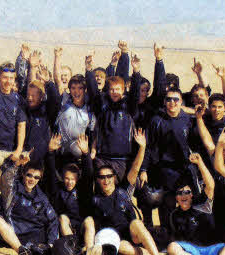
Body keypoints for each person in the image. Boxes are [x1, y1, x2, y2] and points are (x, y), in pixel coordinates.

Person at [82, 129, 161, 255]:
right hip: (112, 239)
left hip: (130, 233)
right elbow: (86, 176)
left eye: (109, 176)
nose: (106, 180)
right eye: (102, 177)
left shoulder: (124, 191)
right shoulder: (95, 199)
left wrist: (142, 147)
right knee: (120, 245)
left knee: (136, 223)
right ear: (97, 180)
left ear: (114, 177)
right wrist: (86, 153)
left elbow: (135, 169)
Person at [86, 48, 140, 182]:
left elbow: (135, 94)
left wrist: (136, 72)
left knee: (120, 193)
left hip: (123, 159)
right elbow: (93, 91)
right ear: (107, 90)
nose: (114, 92)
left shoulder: (129, 107)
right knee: (102, 192)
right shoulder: (103, 105)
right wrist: (88, 70)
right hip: (102, 158)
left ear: (123, 91)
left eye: (118, 89)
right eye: (112, 89)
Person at [165, 153, 225, 255]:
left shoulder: (202, 205)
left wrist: (200, 163)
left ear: (192, 195)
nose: (183, 196)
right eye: (179, 193)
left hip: (212, 247)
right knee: (172, 247)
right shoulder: (174, 215)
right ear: (176, 198)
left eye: (187, 192)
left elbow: (210, 185)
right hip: (192, 250)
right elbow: (175, 240)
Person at [0, 151, 60, 252]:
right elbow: (6, 179)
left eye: (36, 177)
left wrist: (51, 244)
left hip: (35, 239)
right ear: (23, 174)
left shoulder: (41, 197)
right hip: (14, 237)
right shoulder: (12, 190)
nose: (32, 180)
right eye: (29, 175)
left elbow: (53, 220)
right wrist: (18, 163)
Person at [0, 56, 27, 173]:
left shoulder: (18, 100)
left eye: (11, 78)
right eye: (5, 77)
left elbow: (21, 126)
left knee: (8, 189)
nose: (8, 81)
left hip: (10, 153)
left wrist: (18, 149)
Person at [47, 134, 94, 237]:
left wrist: (86, 153)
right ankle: (71, 247)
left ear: (77, 179)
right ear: (63, 178)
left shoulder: (82, 190)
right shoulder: (58, 190)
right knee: (63, 217)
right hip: (65, 227)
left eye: (73, 179)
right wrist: (50, 152)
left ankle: (89, 249)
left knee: (90, 220)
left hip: (81, 227)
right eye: (67, 178)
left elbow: (89, 175)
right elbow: (50, 173)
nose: (69, 182)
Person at [55, 73, 96, 163]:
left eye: (80, 88)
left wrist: (93, 150)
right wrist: (57, 58)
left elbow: (94, 134)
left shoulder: (89, 110)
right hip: (60, 148)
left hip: (78, 150)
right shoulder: (65, 100)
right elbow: (58, 81)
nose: (76, 92)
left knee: (77, 150)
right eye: (73, 88)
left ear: (85, 90)